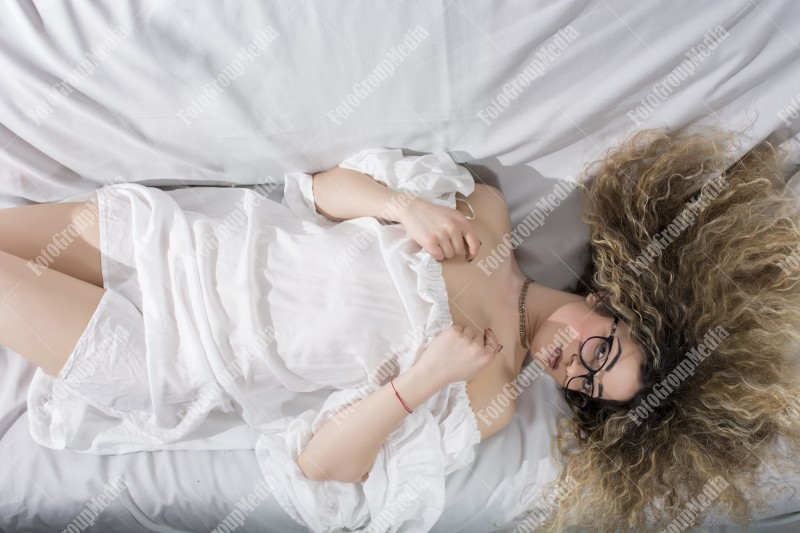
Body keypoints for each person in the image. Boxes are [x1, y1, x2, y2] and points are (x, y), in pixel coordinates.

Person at [2, 125, 798, 532]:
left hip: (175, 357)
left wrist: (423, 380)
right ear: (612, 305)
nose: (574, 365)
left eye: (588, 383)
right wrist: (401, 206)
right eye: (601, 349)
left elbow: (319, 464)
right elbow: (314, 191)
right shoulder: (479, 212)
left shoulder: (485, 398)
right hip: (186, 244)